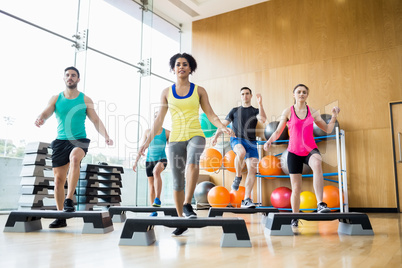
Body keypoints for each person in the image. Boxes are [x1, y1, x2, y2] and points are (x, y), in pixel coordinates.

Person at [137, 53, 233, 236]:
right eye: (178, 64)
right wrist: (146, 143)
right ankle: (181, 218)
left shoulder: (199, 90)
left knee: (192, 163)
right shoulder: (166, 92)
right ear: (173, 68)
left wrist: (222, 126)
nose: (181, 67)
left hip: (195, 134)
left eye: (185, 64)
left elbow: (211, 114)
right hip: (175, 139)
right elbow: (159, 120)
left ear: (190, 68)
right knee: (176, 179)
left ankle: (188, 204)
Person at [35, 66, 113, 228]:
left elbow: (96, 121)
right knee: (58, 181)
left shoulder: (85, 99)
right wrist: (41, 118)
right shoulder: (56, 98)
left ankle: (69, 198)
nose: (70, 77)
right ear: (64, 78)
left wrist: (106, 135)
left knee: (75, 158)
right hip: (60, 141)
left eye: (73, 75)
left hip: (79, 140)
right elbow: (47, 112)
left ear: (78, 79)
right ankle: (61, 215)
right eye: (68, 75)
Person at [263, 84, 340, 227]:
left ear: (307, 95)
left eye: (304, 92)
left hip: (310, 149)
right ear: (294, 95)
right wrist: (268, 141)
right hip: (293, 152)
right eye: (299, 92)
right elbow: (278, 131)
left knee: (317, 163)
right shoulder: (288, 111)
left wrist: (334, 116)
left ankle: (320, 204)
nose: (301, 94)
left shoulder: (313, 112)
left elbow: (328, 129)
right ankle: (294, 217)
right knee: (296, 187)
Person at [212, 87, 266, 208]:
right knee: (240, 153)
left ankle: (246, 199)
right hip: (237, 139)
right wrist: (215, 137)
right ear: (240, 96)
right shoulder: (234, 110)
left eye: (247, 94)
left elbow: (263, 119)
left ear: (251, 96)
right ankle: (238, 176)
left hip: (251, 142)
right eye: (243, 94)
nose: (245, 96)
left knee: (252, 170)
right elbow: (223, 125)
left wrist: (261, 104)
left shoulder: (255, 110)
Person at [133, 111, 170, 216]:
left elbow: (173, 147)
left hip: (162, 159)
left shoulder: (167, 133)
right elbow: (142, 147)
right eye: (156, 116)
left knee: (156, 171)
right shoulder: (147, 132)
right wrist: (135, 161)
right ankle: (153, 210)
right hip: (149, 161)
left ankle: (157, 199)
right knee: (151, 186)